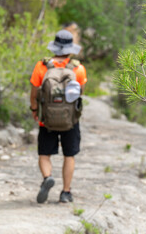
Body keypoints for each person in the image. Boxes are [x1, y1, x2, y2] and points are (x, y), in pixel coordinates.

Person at [29, 29, 87, 203]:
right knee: (69, 155)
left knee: (44, 154)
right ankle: (66, 193)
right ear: (70, 49)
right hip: (70, 120)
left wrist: (34, 110)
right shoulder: (78, 68)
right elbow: (80, 94)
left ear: (54, 47)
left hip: (47, 120)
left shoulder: (41, 66)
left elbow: (34, 94)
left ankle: (47, 178)